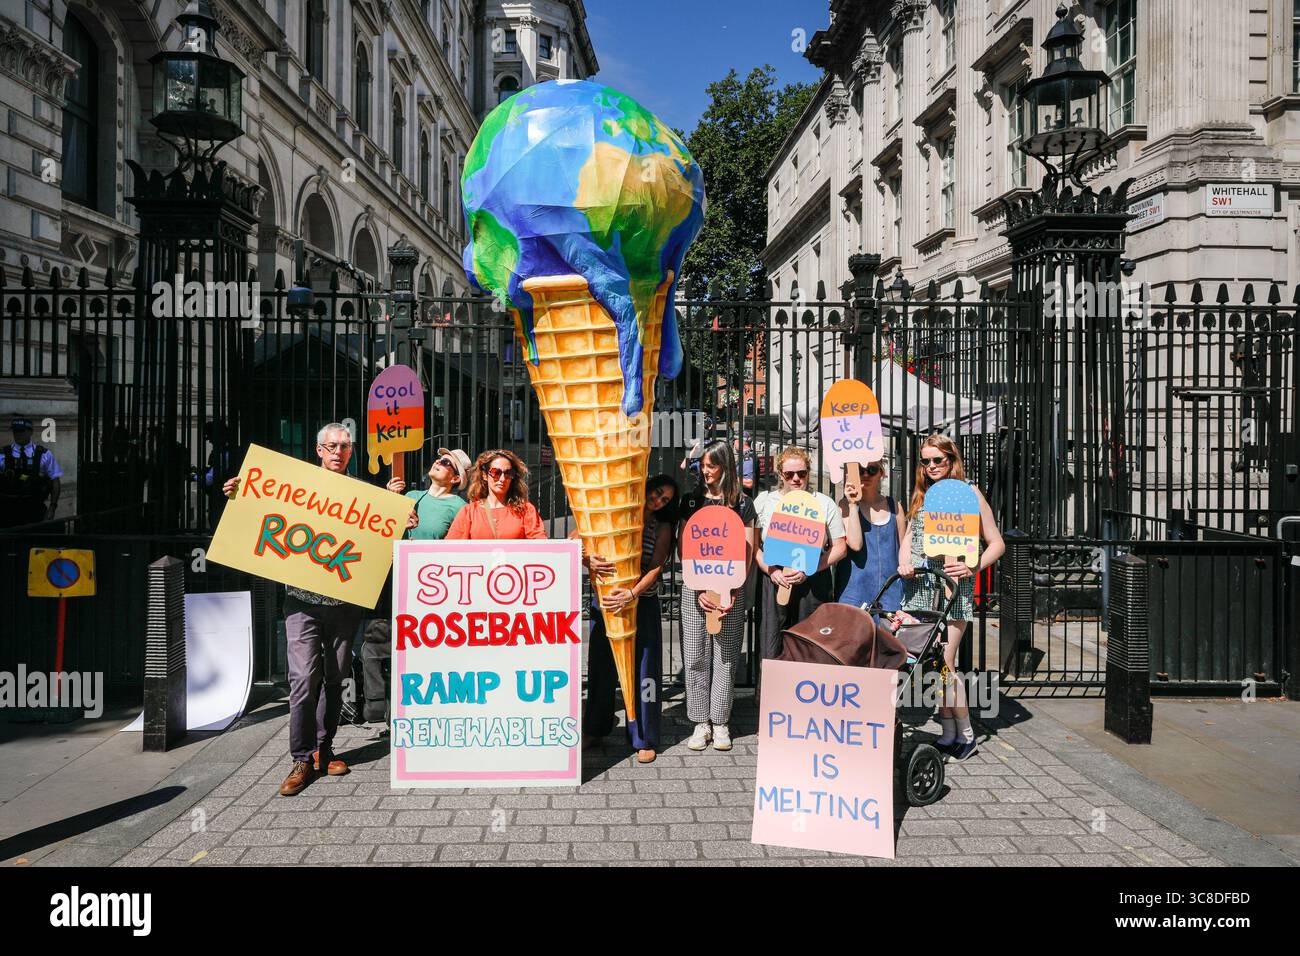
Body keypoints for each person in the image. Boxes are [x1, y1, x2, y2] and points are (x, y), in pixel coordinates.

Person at [223, 423, 416, 796]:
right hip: (301, 603)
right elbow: (257, 513)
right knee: (302, 680)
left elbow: (380, 540)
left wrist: (404, 522)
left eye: (344, 446)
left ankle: (325, 750)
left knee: (333, 677)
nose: (338, 452)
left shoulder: (364, 496)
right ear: (318, 450)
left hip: (345, 607)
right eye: (331, 446)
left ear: (351, 451)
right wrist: (237, 494)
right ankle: (301, 758)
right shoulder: (294, 488)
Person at [897, 435, 1004, 761]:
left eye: (937, 460)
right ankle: (949, 732)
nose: (930, 467)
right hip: (919, 587)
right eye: (925, 461)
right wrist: (903, 562)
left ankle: (967, 734)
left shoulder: (969, 493)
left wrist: (973, 567)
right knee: (929, 662)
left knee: (945, 662)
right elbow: (909, 538)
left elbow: (997, 543)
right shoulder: (922, 496)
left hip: (952, 589)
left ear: (951, 460)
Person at [581, 474, 678, 763]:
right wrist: (587, 558)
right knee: (601, 668)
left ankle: (644, 736)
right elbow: (577, 536)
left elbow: (656, 566)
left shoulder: (662, 526)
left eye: (666, 500)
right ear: (647, 487)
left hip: (642, 603)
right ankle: (595, 729)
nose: (659, 500)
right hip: (607, 602)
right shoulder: (615, 510)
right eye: (658, 493)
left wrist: (633, 593)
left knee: (644, 670)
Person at [677, 440, 756, 752]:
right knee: (695, 655)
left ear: (726, 466)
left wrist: (733, 589)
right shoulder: (691, 502)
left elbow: (747, 550)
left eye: (712, 465)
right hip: (694, 590)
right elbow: (685, 549)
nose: (706, 471)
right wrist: (698, 589)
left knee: (725, 656)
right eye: (703, 465)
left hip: (730, 593)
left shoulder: (742, 505)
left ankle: (721, 721)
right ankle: (700, 721)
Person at [755, 446, 847, 663]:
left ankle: (808, 695)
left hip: (813, 581)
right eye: (789, 474)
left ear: (809, 473)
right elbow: (752, 548)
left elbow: (840, 548)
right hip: (774, 579)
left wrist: (812, 567)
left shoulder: (825, 503)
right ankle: (770, 696)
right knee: (771, 647)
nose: (796, 479)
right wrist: (771, 570)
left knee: (810, 646)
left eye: (802, 473)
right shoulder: (765, 502)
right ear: (780, 475)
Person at [835, 460, 906, 623]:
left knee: (887, 646)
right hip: (854, 593)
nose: (866, 475)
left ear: (882, 473)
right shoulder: (844, 505)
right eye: (860, 470)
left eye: (872, 470)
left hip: (890, 594)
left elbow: (903, 549)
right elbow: (855, 544)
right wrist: (853, 505)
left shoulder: (894, 506)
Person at [445, 449, 546, 540]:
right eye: (496, 472)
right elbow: (452, 549)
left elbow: (540, 546)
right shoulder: (469, 512)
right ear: (485, 475)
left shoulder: (526, 510)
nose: (502, 479)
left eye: (508, 473)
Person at [0, 417, 62, 528]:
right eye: (15, 431)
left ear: (30, 432)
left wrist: (52, 508)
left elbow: (55, 481)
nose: (18, 434)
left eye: (21, 431)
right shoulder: (3, 454)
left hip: (34, 508)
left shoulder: (44, 454)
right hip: (7, 509)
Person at [401, 447, 470, 539]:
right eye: (439, 459)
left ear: (455, 478)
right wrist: (392, 496)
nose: (437, 462)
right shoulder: (411, 496)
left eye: (445, 462)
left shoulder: (461, 507)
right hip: (401, 553)